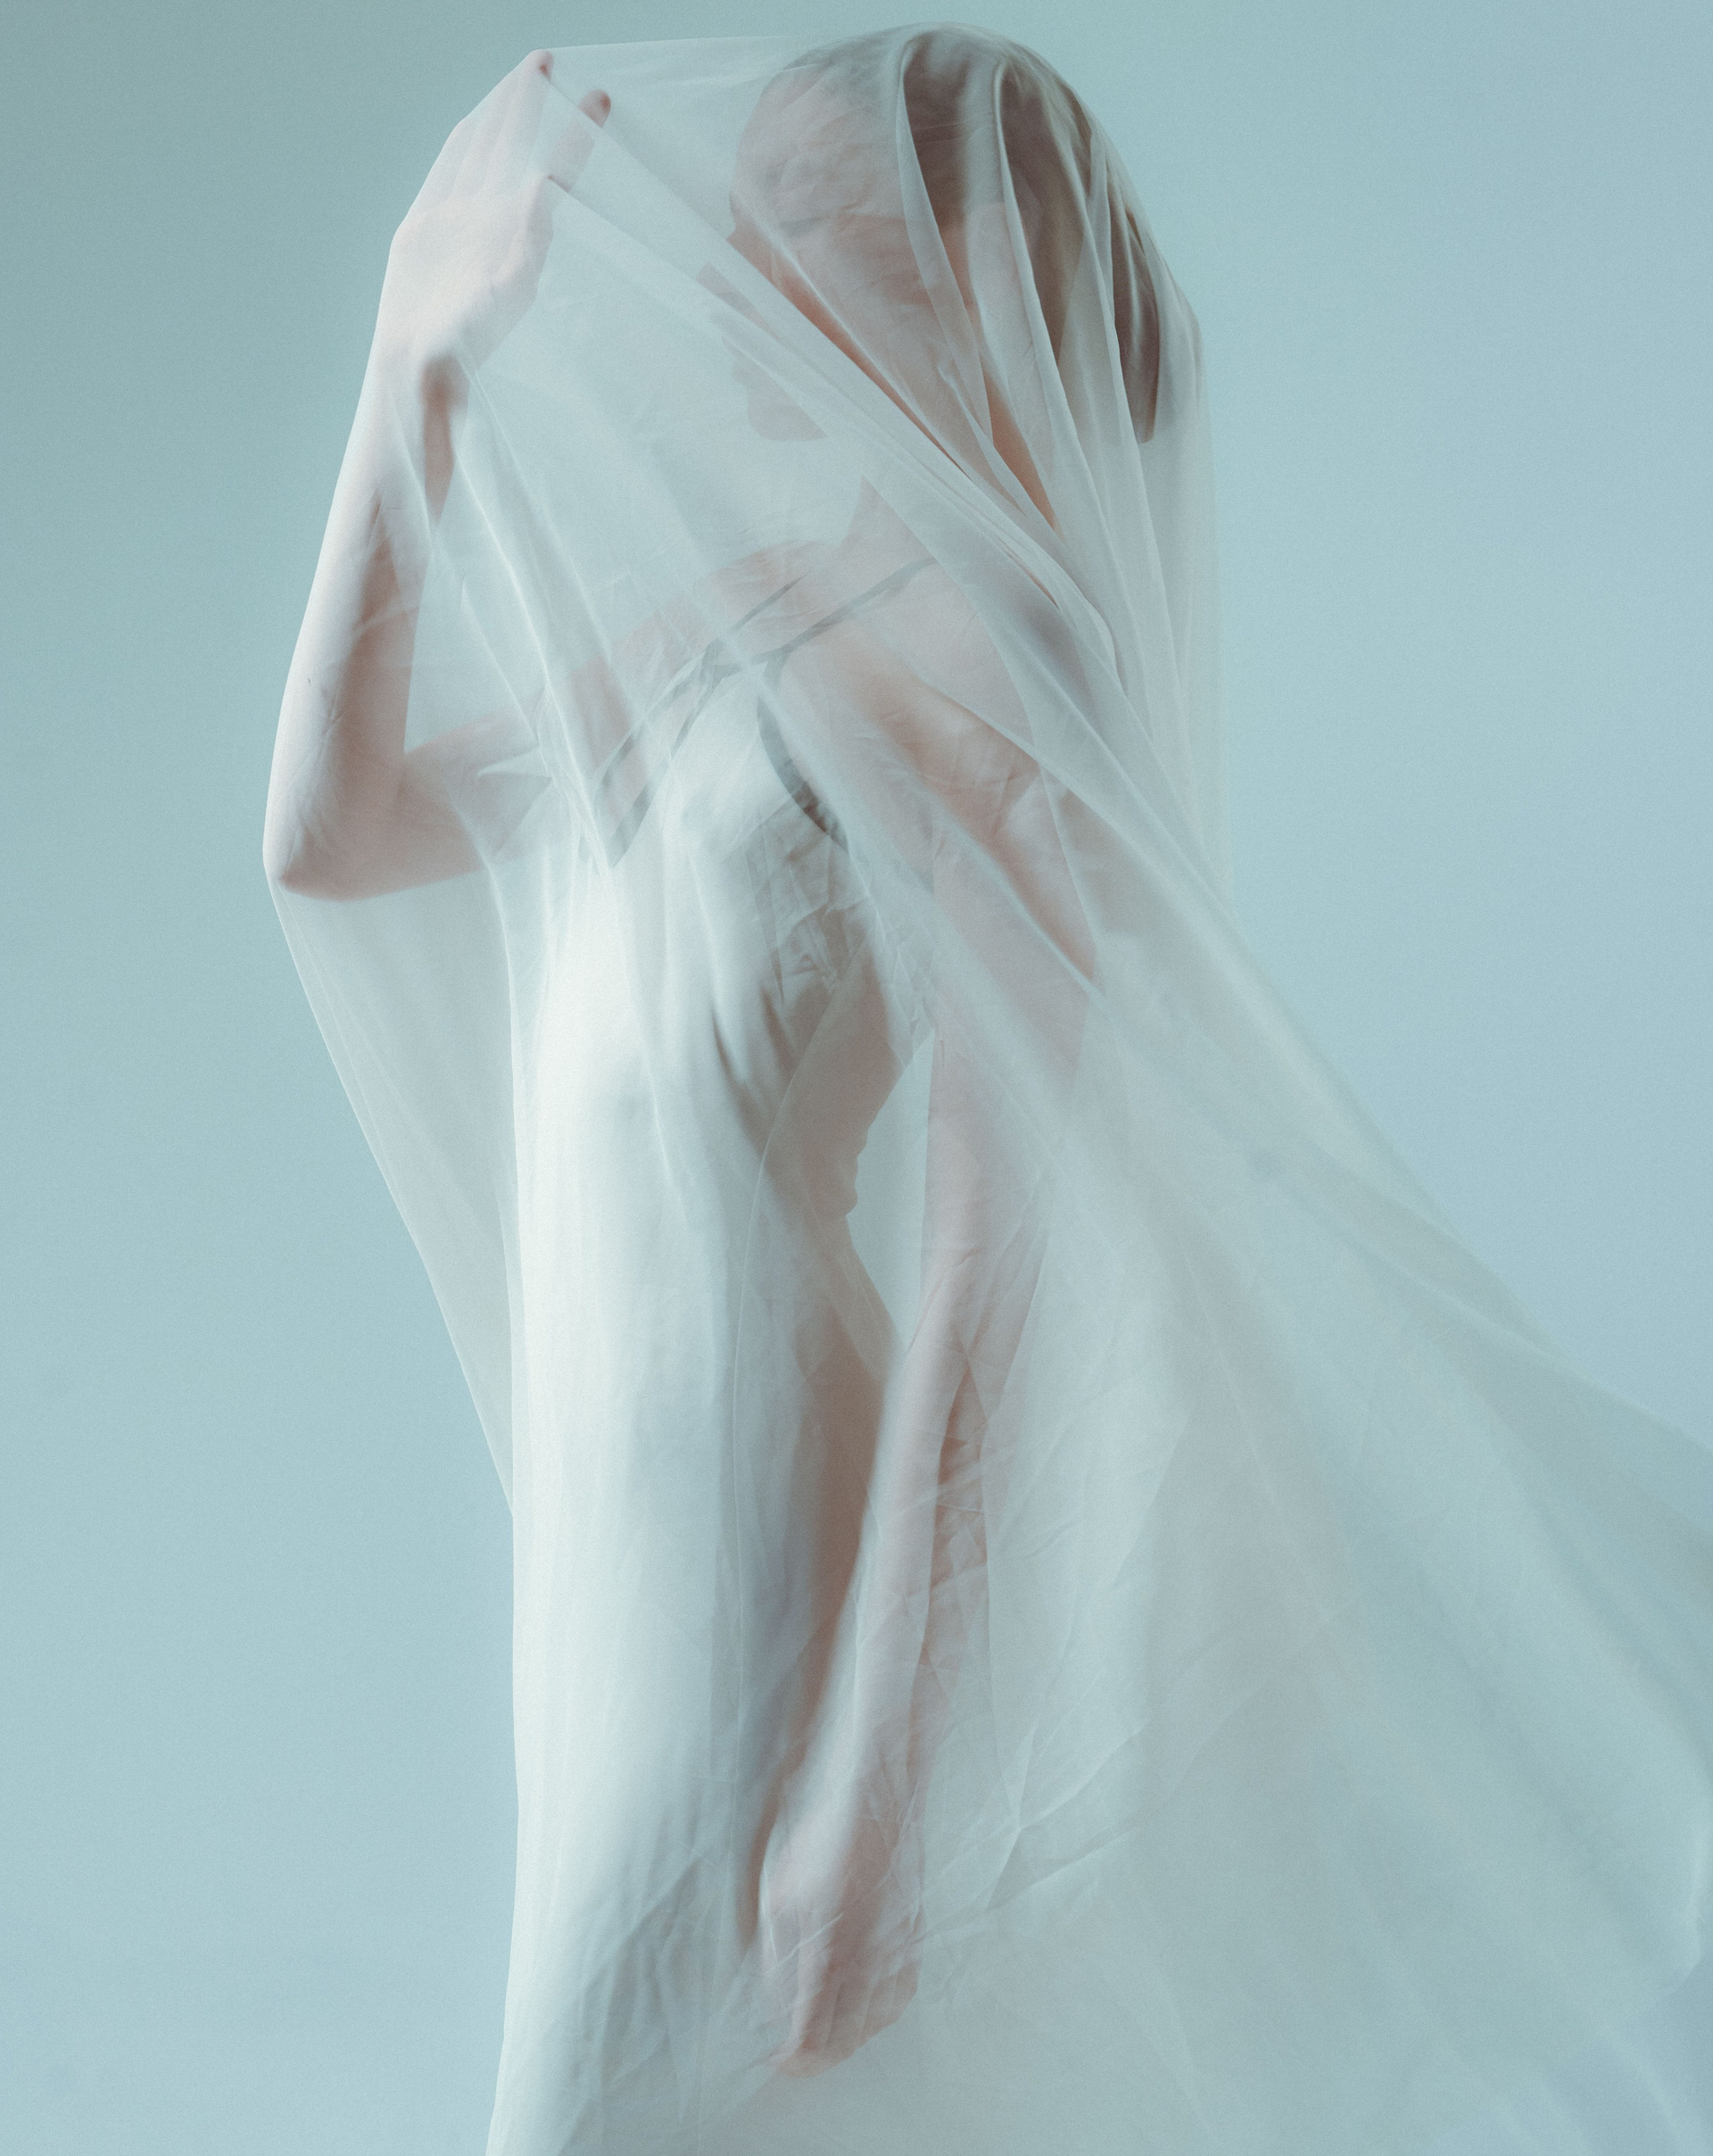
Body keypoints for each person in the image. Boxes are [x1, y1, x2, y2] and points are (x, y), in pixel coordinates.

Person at [263, 29, 1713, 2156]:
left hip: (752, 1500)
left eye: (804, 212)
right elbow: (335, 833)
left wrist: (882, 1769)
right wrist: (414, 379)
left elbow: (997, 1221)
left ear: (977, 259)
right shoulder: (752, 604)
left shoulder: (997, 638)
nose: (735, 265)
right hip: (615, 1503)